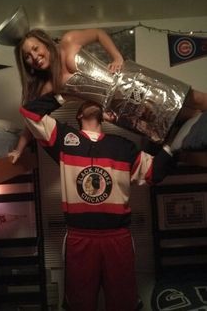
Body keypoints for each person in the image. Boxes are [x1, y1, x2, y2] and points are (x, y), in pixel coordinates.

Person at [19, 97, 176, 311]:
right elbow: (29, 112)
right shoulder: (65, 139)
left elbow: (154, 172)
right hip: (80, 238)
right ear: (78, 116)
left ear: (104, 114)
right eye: (84, 104)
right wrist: (67, 93)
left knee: (123, 303)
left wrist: (176, 142)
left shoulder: (123, 146)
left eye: (95, 103)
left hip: (117, 237)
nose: (90, 103)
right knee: (79, 304)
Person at [8, 27, 207, 162]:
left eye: (35, 48)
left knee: (190, 97)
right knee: (179, 119)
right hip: (121, 110)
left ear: (44, 43)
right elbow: (31, 119)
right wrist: (19, 148)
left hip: (133, 81)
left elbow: (97, 33)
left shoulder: (69, 41)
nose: (34, 56)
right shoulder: (48, 86)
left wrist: (117, 57)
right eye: (27, 56)